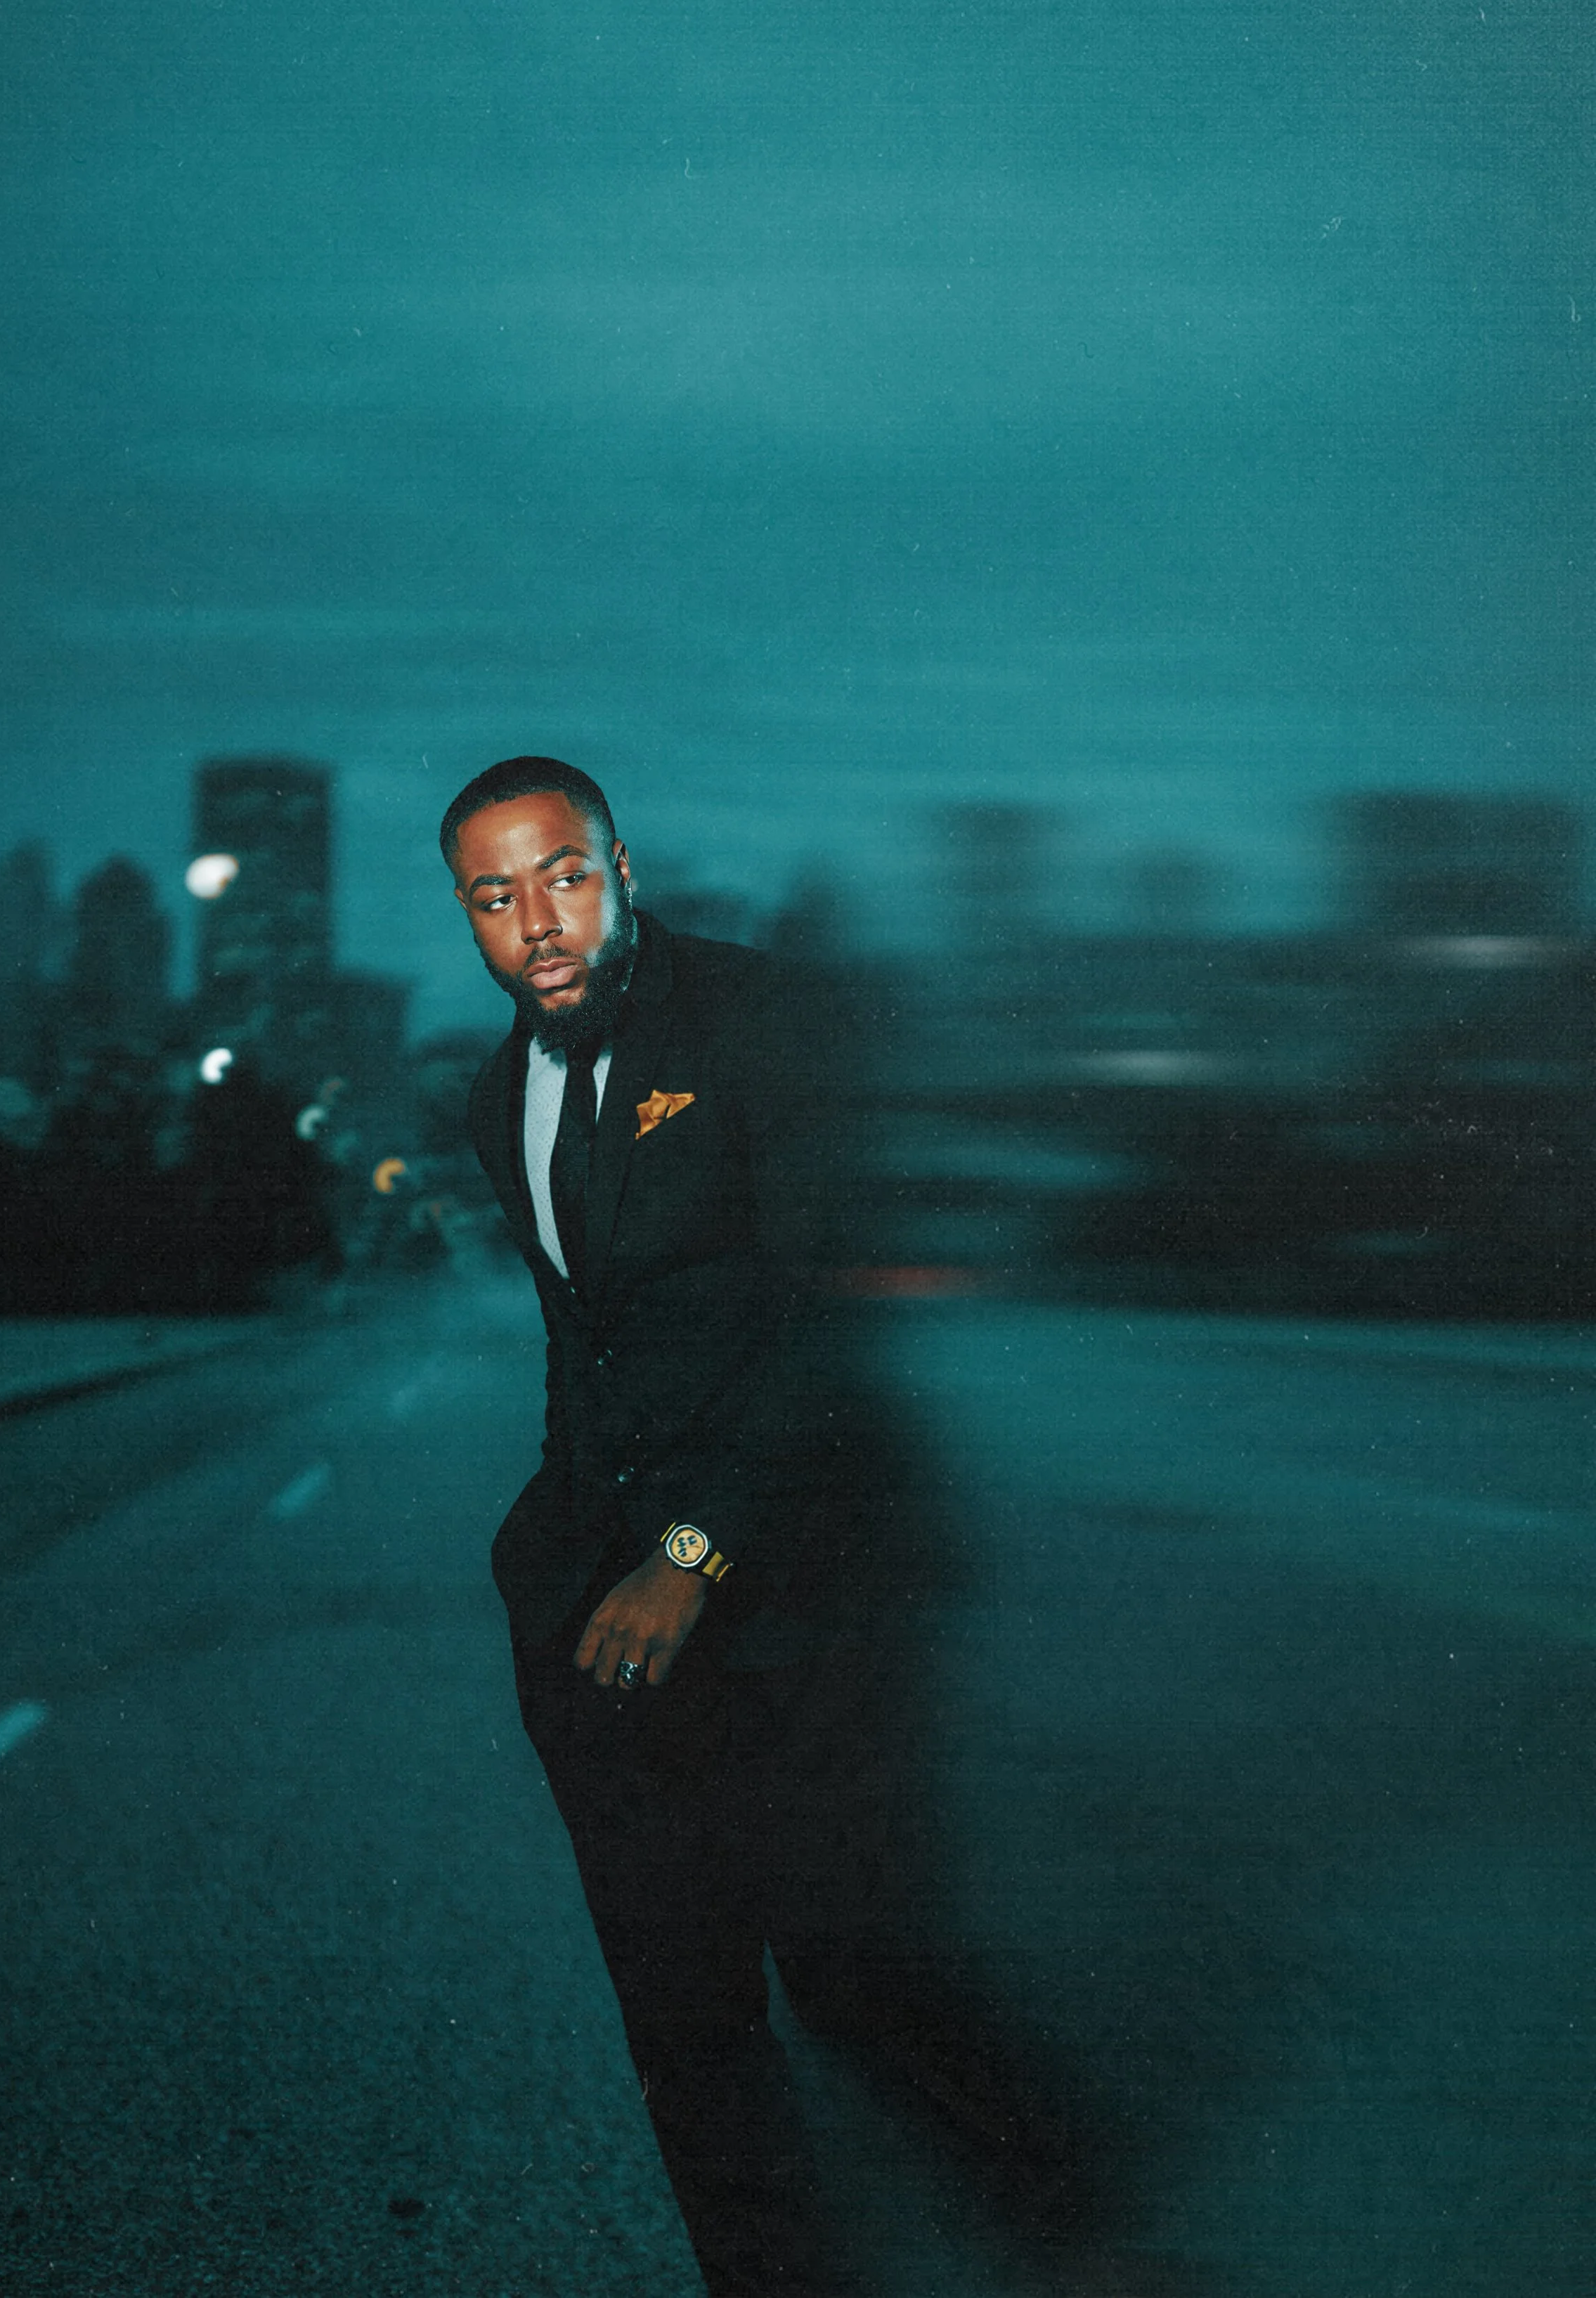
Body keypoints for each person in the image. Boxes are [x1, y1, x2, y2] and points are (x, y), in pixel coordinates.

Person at [444, 757, 1169, 2298]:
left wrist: (691, 1551)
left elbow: (816, 1315)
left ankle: (1076, 2226)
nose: (537, 920)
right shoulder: (484, 1092)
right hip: (599, 1613)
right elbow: (591, 1341)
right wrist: (560, 1557)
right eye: (495, 896)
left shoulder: (760, 1016)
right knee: (679, 2010)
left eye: (561, 873)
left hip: (800, 1588)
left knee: (853, 1962)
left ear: (618, 864)